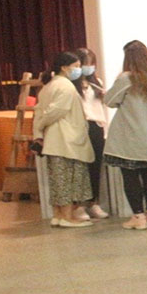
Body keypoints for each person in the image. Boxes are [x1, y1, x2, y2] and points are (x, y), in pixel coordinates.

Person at [103, 41, 147, 230]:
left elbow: (109, 101)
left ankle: (138, 216)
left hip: (130, 137)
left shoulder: (127, 79)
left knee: (130, 176)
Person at [33, 51, 94, 228]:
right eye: (76, 66)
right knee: (67, 179)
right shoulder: (65, 87)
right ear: (64, 67)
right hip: (66, 140)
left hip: (54, 140)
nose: (79, 69)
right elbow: (55, 111)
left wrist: (38, 131)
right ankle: (67, 216)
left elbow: (39, 111)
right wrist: (42, 125)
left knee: (58, 179)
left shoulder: (49, 85)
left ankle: (58, 215)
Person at [72, 47, 110, 221]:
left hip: (96, 126)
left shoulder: (97, 82)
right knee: (81, 167)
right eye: (85, 64)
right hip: (79, 126)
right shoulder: (71, 85)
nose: (89, 67)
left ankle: (93, 202)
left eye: (91, 64)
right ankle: (78, 205)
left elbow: (103, 105)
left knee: (95, 167)